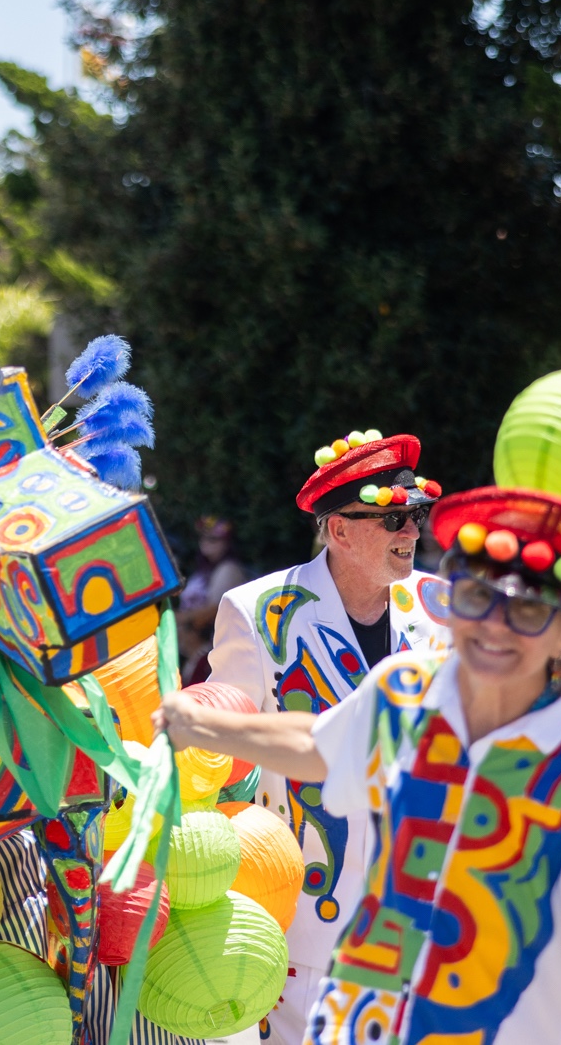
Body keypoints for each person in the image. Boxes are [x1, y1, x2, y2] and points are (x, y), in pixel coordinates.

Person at [173, 485, 561, 1045]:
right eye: (478, 597)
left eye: (527, 609)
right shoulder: (407, 691)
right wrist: (191, 724)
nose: (495, 626)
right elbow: (319, 744)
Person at [205, 429, 450, 1043]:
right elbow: (222, 757)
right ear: (338, 530)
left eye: (416, 513)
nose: (411, 532)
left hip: (423, 918)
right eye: (393, 517)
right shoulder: (256, 609)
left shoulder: (444, 609)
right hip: (306, 922)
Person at [177, 515, 246, 682]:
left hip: (210, 649)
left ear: (227, 543)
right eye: (203, 537)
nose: (206, 542)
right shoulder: (204, 571)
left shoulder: (229, 569)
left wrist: (176, 618)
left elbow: (216, 610)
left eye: (214, 539)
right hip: (191, 648)